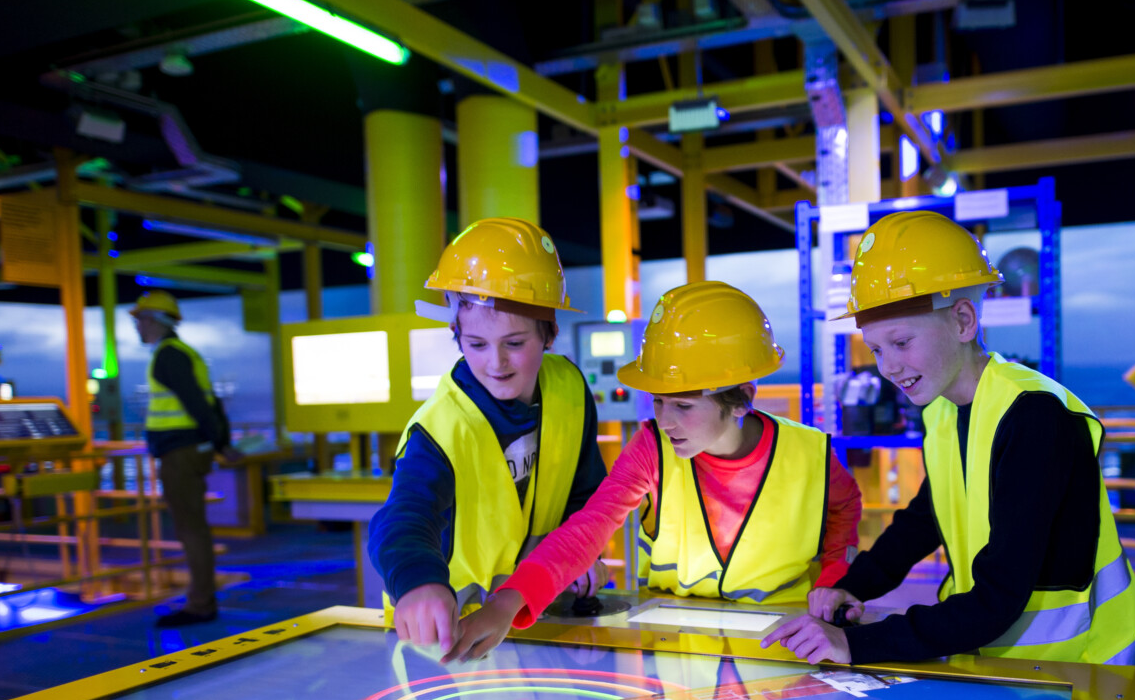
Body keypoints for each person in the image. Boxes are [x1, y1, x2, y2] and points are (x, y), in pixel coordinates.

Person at [763, 211, 1135, 672]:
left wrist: (855, 644)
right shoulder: (943, 410)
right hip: (1008, 667)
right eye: (876, 349)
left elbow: (997, 598)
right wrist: (854, 586)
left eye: (901, 342)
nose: (888, 367)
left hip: (1090, 674)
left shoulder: (1036, 417)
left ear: (963, 321)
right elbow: (926, 517)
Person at [458, 282, 863, 662]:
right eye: (659, 401)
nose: (666, 421)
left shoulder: (809, 453)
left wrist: (834, 576)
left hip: (784, 642)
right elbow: (589, 527)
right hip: (677, 644)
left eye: (683, 406)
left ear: (742, 399)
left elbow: (844, 508)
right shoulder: (652, 448)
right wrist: (508, 601)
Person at [369, 217, 607, 660]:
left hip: (536, 609)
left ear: (549, 333)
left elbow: (586, 495)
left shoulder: (571, 388)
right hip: (448, 631)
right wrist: (418, 581)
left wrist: (581, 553)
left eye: (514, 343)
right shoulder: (440, 426)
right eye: (477, 344)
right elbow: (402, 517)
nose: (496, 363)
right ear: (457, 336)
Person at [133, 290, 241, 628]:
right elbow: (211, 403)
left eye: (141, 319)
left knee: (190, 529)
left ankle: (200, 604)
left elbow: (196, 403)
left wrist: (220, 443)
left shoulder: (168, 356)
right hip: (190, 450)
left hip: (180, 452)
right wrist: (221, 442)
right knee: (194, 527)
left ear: (154, 320)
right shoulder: (184, 353)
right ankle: (201, 599)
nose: (138, 326)